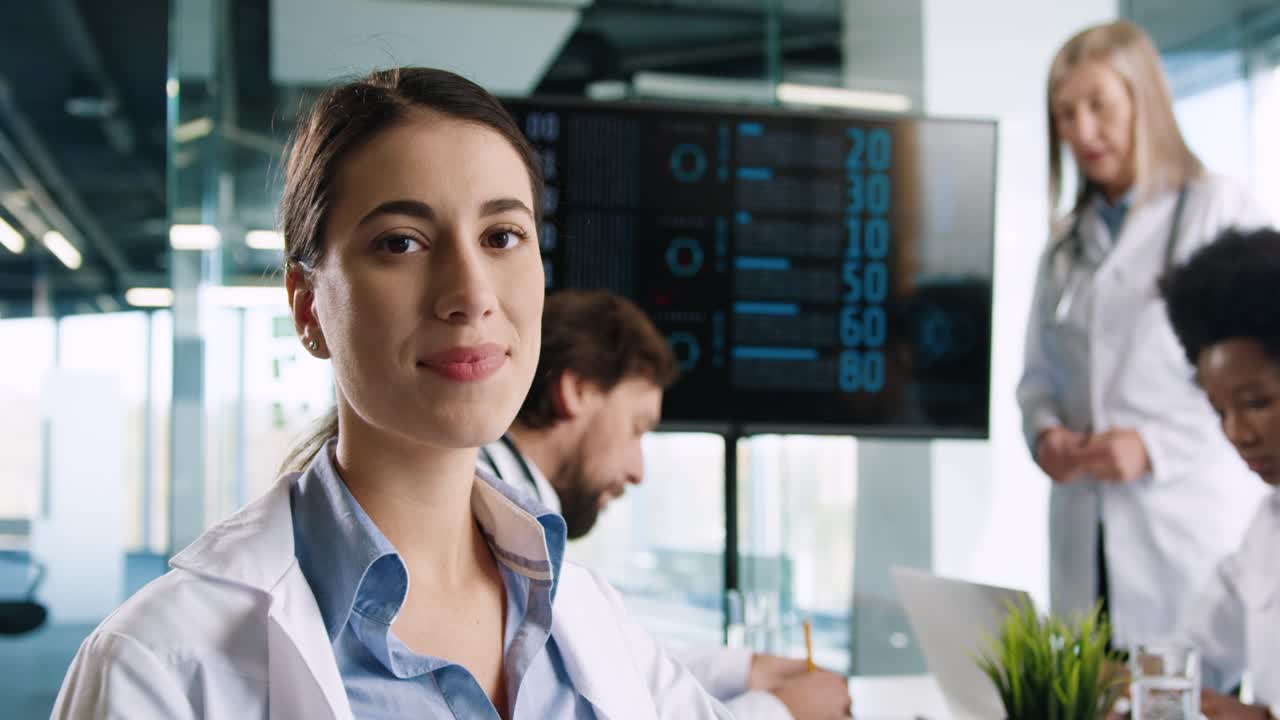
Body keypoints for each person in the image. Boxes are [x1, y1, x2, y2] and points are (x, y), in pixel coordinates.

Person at [52, 67, 731, 719]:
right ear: (308, 307)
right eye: (402, 243)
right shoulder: (154, 664)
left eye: (502, 236)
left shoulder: (588, 618)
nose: (471, 294)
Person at [479, 289, 854, 720]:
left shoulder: (522, 522)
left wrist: (746, 671)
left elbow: (616, 659)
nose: (638, 471)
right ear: (578, 390)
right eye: (636, 428)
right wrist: (783, 710)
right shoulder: (500, 532)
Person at [1017, 19, 1270, 648]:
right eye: (1065, 114)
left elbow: (1260, 378)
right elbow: (1037, 377)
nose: (1082, 132)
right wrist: (1045, 432)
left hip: (1182, 526)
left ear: (1143, 100)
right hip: (1086, 533)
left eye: (1098, 106)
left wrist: (1153, 446)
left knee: (1186, 675)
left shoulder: (1215, 208)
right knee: (1096, 682)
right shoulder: (1065, 246)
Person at [1162, 228, 1280, 720]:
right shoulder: (1268, 526)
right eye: (1219, 411)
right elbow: (1194, 652)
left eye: (1256, 403)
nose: (1236, 433)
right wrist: (1123, 683)